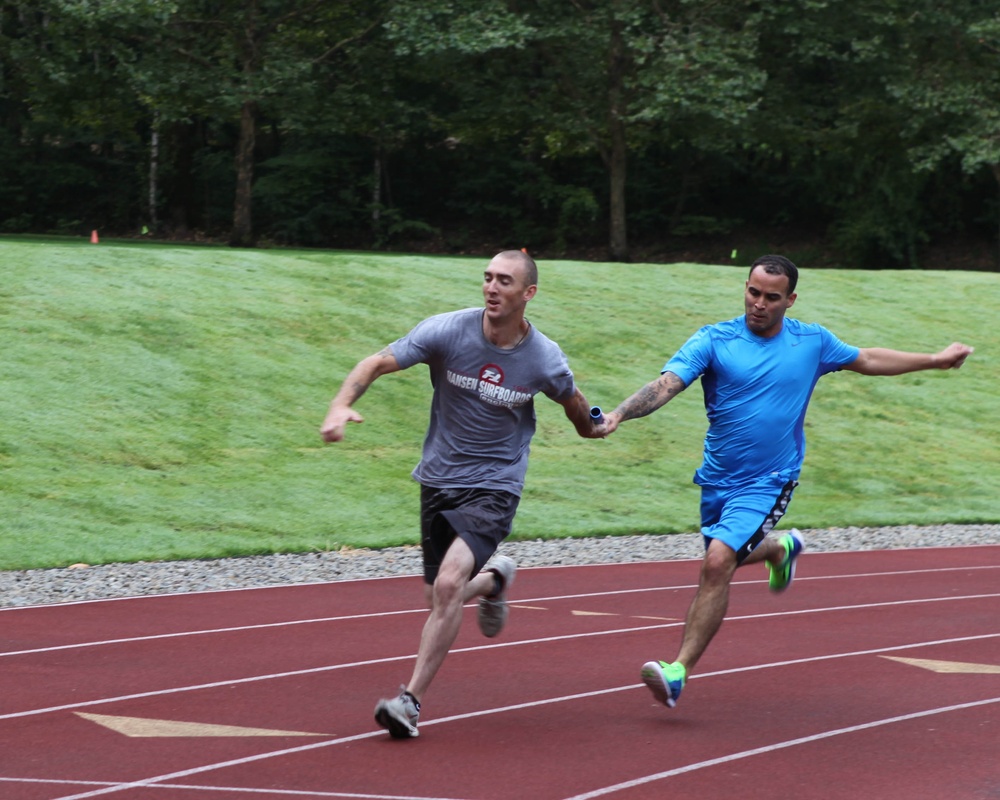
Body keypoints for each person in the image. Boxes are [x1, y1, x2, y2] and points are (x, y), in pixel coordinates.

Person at [597, 254, 973, 710]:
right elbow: (667, 385)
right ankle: (779, 548)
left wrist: (935, 360)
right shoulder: (715, 339)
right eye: (753, 293)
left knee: (717, 562)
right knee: (727, 555)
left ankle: (677, 672)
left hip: (771, 478)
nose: (759, 304)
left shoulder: (811, 343)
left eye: (771, 297)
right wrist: (619, 413)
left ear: (790, 300)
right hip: (718, 479)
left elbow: (868, 358)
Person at [320, 249, 603, 738]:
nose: (492, 288)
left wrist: (593, 426)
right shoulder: (447, 331)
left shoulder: (544, 358)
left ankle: (409, 703)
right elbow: (376, 362)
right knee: (438, 596)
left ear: (528, 293)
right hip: (439, 478)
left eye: (505, 281)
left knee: (449, 586)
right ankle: (494, 582)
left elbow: (574, 404)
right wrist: (340, 406)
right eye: (488, 278)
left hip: (496, 483)